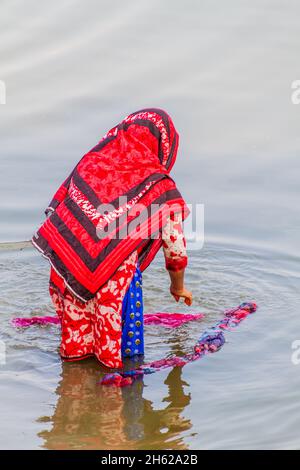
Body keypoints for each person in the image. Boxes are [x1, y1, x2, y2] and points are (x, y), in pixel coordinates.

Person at [32, 108, 192, 368]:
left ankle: (74, 376)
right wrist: (177, 286)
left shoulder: (92, 162)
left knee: (76, 345)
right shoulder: (158, 185)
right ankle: (111, 387)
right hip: (114, 278)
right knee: (119, 356)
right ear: (164, 146)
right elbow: (175, 247)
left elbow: (60, 212)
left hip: (68, 267)